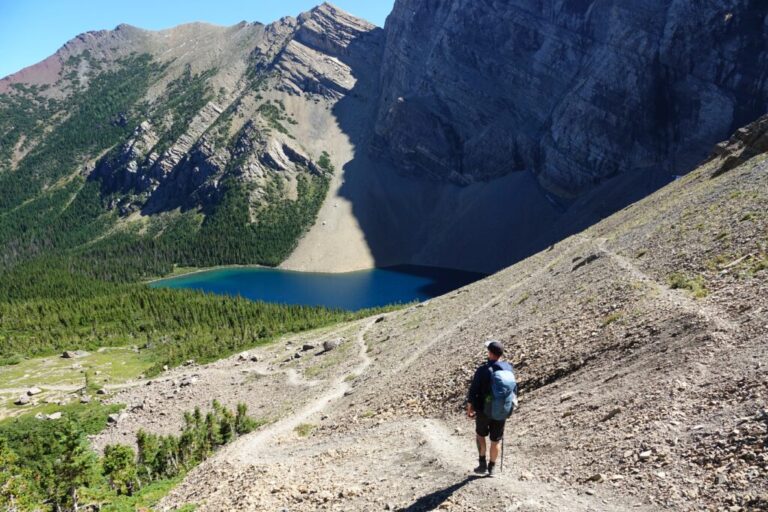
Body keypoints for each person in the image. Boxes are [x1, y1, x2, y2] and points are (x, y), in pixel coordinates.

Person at [465, 340, 513, 477]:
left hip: (483, 410)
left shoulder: (483, 370)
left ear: (490, 353)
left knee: (480, 435)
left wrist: (470, 407)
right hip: (501, 410)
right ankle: (492, 468)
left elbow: (473, 390)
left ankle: (482, 464)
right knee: (496, 440)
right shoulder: (508, 368)